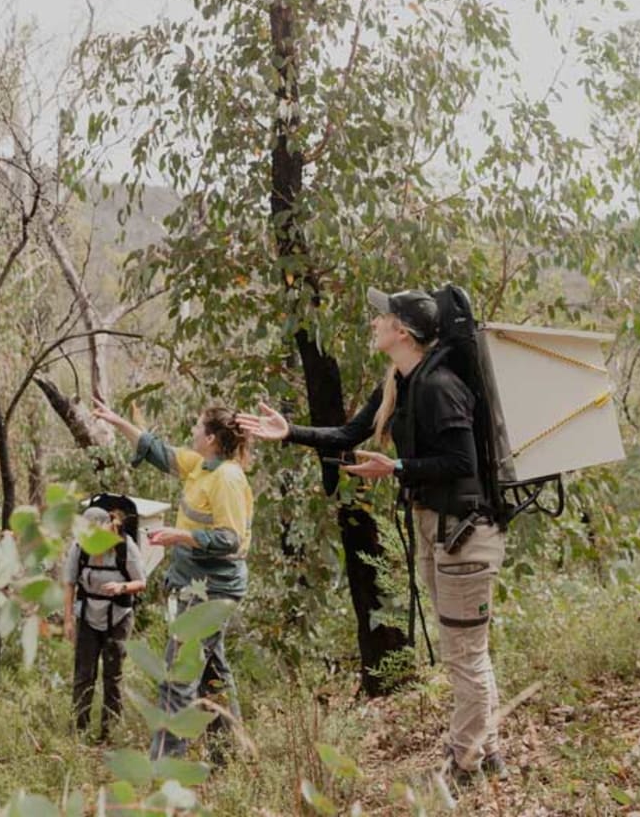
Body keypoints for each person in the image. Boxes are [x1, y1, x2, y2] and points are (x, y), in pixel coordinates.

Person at [236, 287, 507, 784]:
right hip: (440, 529)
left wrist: (397, 467)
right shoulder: (400, 383)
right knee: (466, 651)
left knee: (464, 655)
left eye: (383, 317)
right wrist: (289, 431)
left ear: (402, 330)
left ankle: (464, 765)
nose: (375, 323)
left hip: (464, 534)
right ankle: (486, 754)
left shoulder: (438, 386)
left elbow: (461, 462)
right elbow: (347, 434)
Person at [91, 399, 253, 763]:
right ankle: (229, 755)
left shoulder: (227, 479)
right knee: (213, 674)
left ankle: (164, 767)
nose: (192, 431)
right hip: (194, 583)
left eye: (197, 426)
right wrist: (117, 422)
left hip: (211, 589)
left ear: (211, 438)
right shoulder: (201, 466)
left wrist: (179, 536)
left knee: (178, 677)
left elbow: (230, 538)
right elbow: (159, 452)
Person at [62, 505, 148, 744]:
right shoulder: (79, 548)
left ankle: (109, 734)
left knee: (113, 675)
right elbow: (69, 583)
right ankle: (78, 732)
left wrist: (122, 587)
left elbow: (141, 582)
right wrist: (68, 619)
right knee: (83, 675)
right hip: (87, 615)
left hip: (118, 616)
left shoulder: (125, 547)